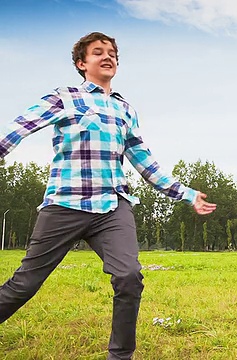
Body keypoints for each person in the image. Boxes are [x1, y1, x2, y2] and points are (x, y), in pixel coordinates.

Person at [0, 32, 216, 359]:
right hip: (65, 204)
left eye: (112, 53)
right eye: (98, 52)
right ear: (81, 63)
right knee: (24, 284)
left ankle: (120, 355)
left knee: (129, 276)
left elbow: (144, 159)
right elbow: (20, 127)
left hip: (113, 207)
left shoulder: (124, 109)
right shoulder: (65, 97)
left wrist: (185, 193)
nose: (108, 57)